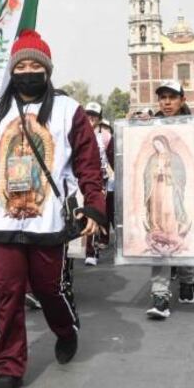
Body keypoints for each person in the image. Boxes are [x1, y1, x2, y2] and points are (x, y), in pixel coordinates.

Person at [0, 29, 107, 388]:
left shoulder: (68, 111)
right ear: (12, 70)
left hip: (47, 219)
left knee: (49, 288)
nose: (27, 71)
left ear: (47, 70)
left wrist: (94, 206)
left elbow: (88, 164)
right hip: (1, 218)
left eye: (35, 65)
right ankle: (9, 366)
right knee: (7, 292)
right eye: (21, 66)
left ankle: (65, 328)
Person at [138, 80, 194, 320]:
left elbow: (186, 172)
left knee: (181, 239)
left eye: (172, 97)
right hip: (157, 198)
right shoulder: (150, 126)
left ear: (182, 100)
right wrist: (137, 127)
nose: (166, 102)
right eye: (162, 98)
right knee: (160, 241)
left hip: (174, 197)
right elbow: (145, 172)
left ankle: (187, 280)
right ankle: (160, 295)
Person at [81, 102, 114, 266]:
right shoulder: (76, 133)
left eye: (94, 115)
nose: (90, 118)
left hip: (100, 181)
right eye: (87, 114)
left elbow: (113, 159)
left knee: (93, 213)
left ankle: (91, 252)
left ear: (99, 119)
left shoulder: (106, 137)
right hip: (79, 180)